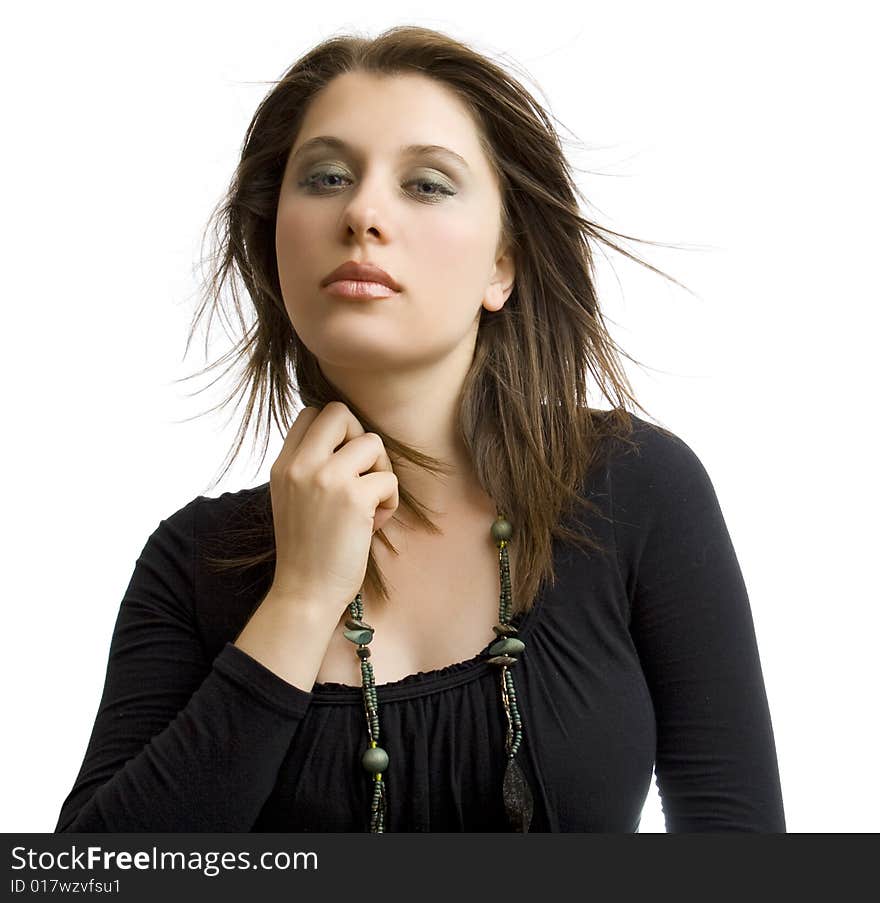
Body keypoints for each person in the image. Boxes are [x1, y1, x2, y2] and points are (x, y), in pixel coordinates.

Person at [54, 26, 785, 833]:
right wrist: (299, 599)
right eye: (326, 176)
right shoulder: (191, 565)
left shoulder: (634, 487)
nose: (363, 211)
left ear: (501, 266)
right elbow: (91, 875)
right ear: (274, 243)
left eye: (428, 184)